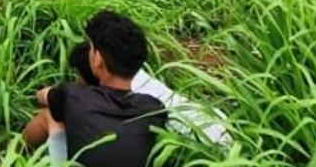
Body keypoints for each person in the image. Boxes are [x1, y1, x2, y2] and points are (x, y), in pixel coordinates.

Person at [21, 11, 167, 167]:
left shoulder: (74, 97)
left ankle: (17, 151)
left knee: (50, 117)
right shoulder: (154, 108)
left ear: (97, 59)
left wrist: (51, 94)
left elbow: (43, 96)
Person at [67, 42, 232, 147]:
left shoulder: (125, 102)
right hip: (220, 124)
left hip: (205, 148)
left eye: (78, 76)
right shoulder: (131, 73)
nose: (77, 81)